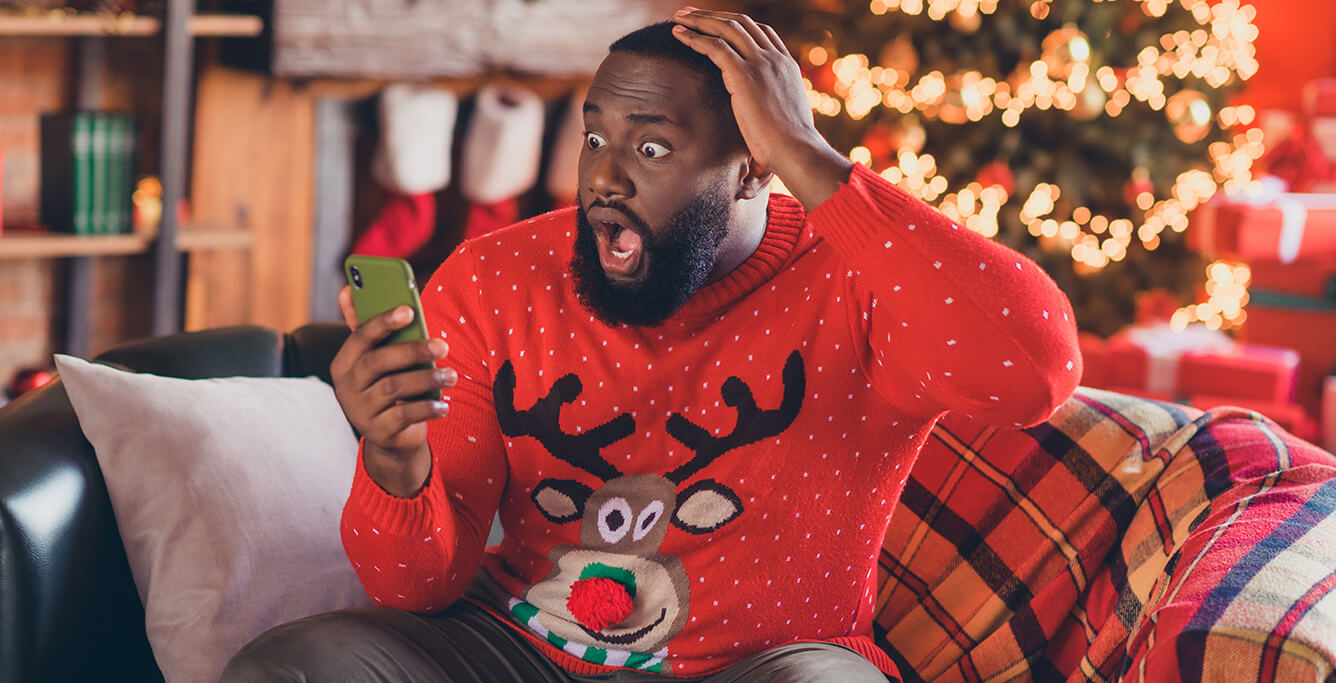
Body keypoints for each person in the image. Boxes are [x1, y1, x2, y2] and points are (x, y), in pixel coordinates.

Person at [222, 8, 1082, 682]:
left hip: (768, 664)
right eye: (597, 136)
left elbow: (1036, 370)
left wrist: (808, 153)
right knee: (289, 667)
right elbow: (416, 589)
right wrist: (393, 459)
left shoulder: (858, 281)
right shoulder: (494, 277)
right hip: (518, 649)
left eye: (653, 146)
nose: (604, 175)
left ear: (752, 166)